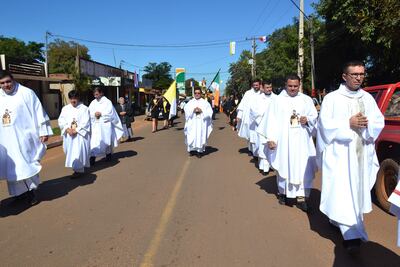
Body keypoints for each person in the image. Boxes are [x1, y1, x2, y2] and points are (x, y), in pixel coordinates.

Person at [317, 60, 384, 253]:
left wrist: (367, 123)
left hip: (361, 155)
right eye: (354, 74)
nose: (358, 78)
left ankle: (338, 221)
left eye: (361, 74)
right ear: (344, 76)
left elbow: (378, 121)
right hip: (340, 156)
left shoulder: (367, 98)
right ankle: (351, 236)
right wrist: (348, 123)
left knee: (356, 192)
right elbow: (324, 126)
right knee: (343, 192)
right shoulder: (332, 98)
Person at [266, 74, 318, 212]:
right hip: (284, 141)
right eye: (290, 86)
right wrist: (271, 138)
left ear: (299, 85)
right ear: (285, 85)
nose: (293, 88)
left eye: (295, 86)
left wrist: (307, 120)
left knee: (303, 169)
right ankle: (283, 193)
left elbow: (314, 117)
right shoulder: (277, 101)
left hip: (302, 140)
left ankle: (302, 197)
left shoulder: (306, 100)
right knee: (284, 166)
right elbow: (271, 120)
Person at [0, 70, 53, 205]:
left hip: (24, 136)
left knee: (26, 163)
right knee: (11, 166)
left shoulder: (26, 93)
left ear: (13, 80)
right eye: (2, 83)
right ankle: (18, 194)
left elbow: (38, 111)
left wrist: (43, 131)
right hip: (6, 139)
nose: (6, 85)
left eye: (8, 81)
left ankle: (32, 192)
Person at [58, 90, 91, 178]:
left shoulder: (84, 109)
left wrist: (77, 130)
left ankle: (78, 171)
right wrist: (67, 129)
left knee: (78, 152)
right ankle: (77, 169)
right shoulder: (65, 109)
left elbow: (86, 122)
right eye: (71, 98)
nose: (73, 101)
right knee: (69, 151)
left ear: (78, 98)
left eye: (75, 98)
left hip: (79, 136)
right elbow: (61, 120)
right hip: (69, 135)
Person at [88, 87, 123, 165]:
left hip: (105, 126)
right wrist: (94, 114)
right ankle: (92, 158)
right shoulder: (93, 102)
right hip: (95, 126)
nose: (95, 96)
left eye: (97, 94)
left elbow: (111, 114)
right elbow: (89, 112)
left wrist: (101, 114)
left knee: (106, 140)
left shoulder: (107, 102)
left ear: (101, 93)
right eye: (94, 94)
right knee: (94, 142)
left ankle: (108, 154)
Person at [183, 88, 213, 158]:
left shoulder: (205, 103)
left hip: (201, 123)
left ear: (201, 94)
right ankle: (191, 150)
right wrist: (193, 110)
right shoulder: (190, 102)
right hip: (192, 123)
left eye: (198, 93)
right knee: (191, 136)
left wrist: (202, 110)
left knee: (200, 136)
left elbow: (210, 112)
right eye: (195, 93)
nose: (197, 94)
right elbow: (186, 110)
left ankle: (199, 151)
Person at [255, 81, 277, 174]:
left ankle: (273, 165)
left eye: (270, 87)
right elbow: (254, 112)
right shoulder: (258, 99)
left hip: (273, 126)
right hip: (262, 126)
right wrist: (262, 120)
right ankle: (264, 168)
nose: (269, 89)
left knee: (273, 145)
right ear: (263, 88)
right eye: (267, 87)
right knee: (263, 145)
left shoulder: (277, 98)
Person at [236, 79, 261, 156]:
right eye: (254, 85)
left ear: (260, 85)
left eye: (257, 85)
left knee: (258, 135)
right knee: (250, 135)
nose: (256, 86)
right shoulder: (248, 93)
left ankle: (257, 151)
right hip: (249, 118)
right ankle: (252, 150)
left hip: (259, 118)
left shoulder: (262, 93)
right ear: (252, 85)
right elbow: (242, 104)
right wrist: (239, 116)